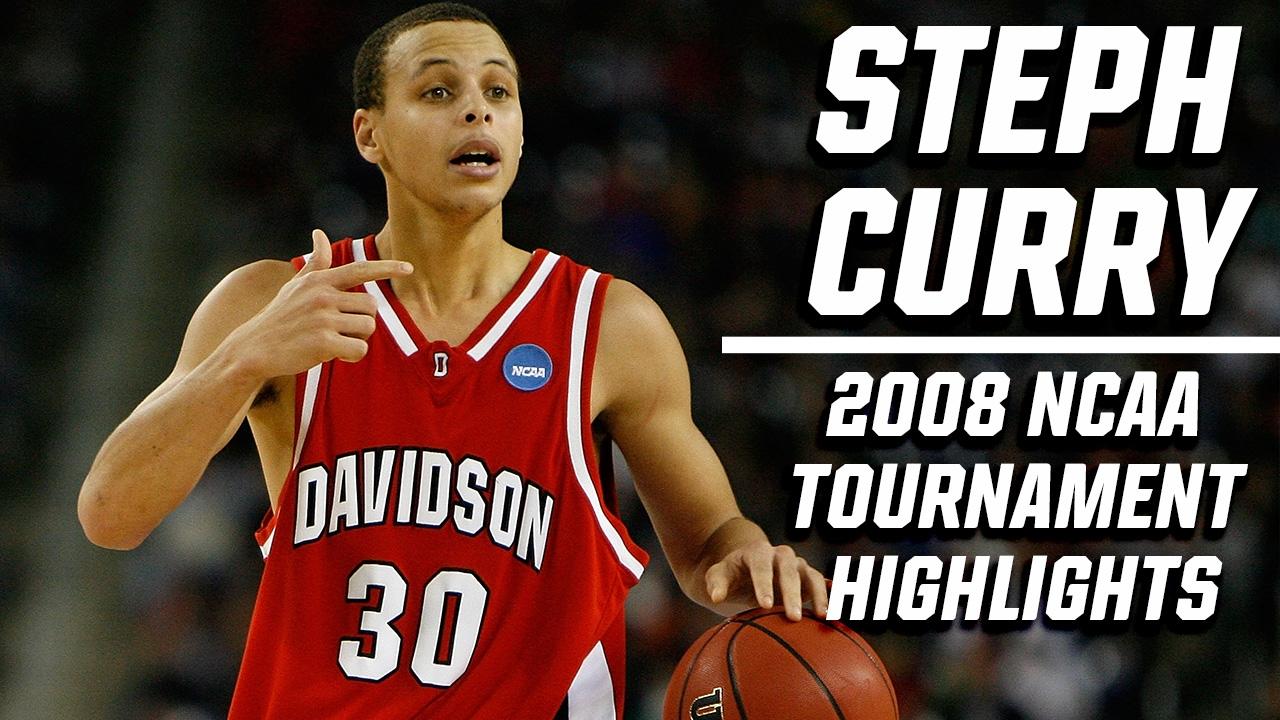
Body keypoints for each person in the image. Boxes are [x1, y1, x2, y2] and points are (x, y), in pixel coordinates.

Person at [78, 4, 828, 718]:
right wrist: (242, 360)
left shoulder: (607, 325)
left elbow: (710, 543)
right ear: (369, 134)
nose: (477, 111)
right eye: (438, 90)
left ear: (521, 132)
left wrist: (752, 560)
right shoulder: (275, 302)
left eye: (498, 92)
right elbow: (110, 514)